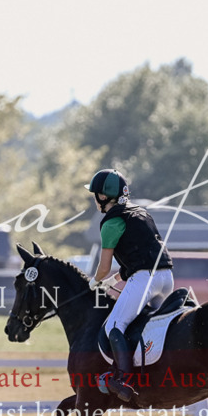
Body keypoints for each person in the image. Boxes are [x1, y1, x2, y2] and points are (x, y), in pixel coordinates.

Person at [87, 168, 173, 402]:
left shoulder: (111, 222)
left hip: (145, 280)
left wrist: (94, 283)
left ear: (104, 197)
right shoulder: (141, 213)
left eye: (95, 194)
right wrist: (113, 281)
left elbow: (103, 267)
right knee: (153, 326)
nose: (94, 198)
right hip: (166, 277)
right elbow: (135, 261)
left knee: (114, 325)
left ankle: (123, 379)